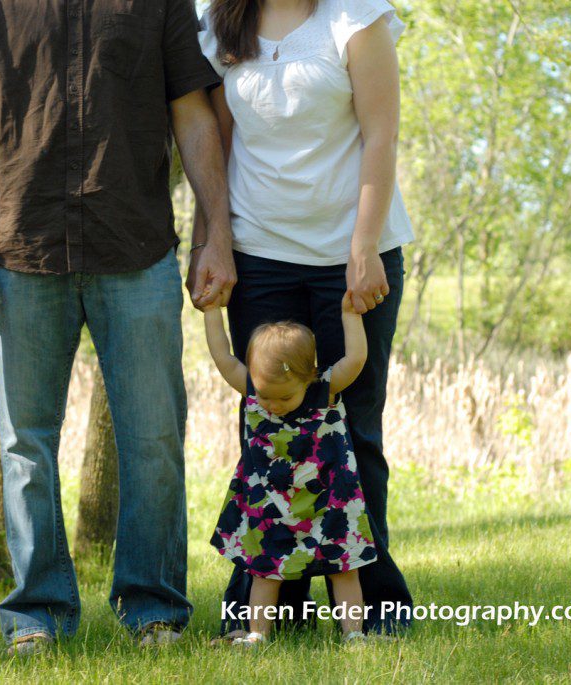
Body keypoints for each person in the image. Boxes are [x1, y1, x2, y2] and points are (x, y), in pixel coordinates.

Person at [0, 0, 236, 654]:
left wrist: (216, 234)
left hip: (136, 248)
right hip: (20, 250)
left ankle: (154, 610)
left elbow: (193, 114)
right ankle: (36, 616)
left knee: (154, 438)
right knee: (25, 446)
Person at [196, 0, 416, 638]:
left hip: (351, 259)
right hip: (258, 255)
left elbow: (381, 135)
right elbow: (216, 146)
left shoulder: (357, 19)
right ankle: (269, 612)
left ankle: (376, 609)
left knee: (353, 430)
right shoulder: (219, 21)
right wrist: (208, 242)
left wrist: (364, 247)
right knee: (266, 427)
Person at [202, 292, 376, 646]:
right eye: (266, 396)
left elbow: (356, 358)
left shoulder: (324, 391)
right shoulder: (253, 390)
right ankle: (257, 634)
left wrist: (350, 315)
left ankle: (354, 634)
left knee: (345, 568)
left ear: (309, 376)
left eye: (284, 397)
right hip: (272, 506)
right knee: (265, 571)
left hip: (330, 502)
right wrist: (211, 311)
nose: (273, 405)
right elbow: (222, 356)